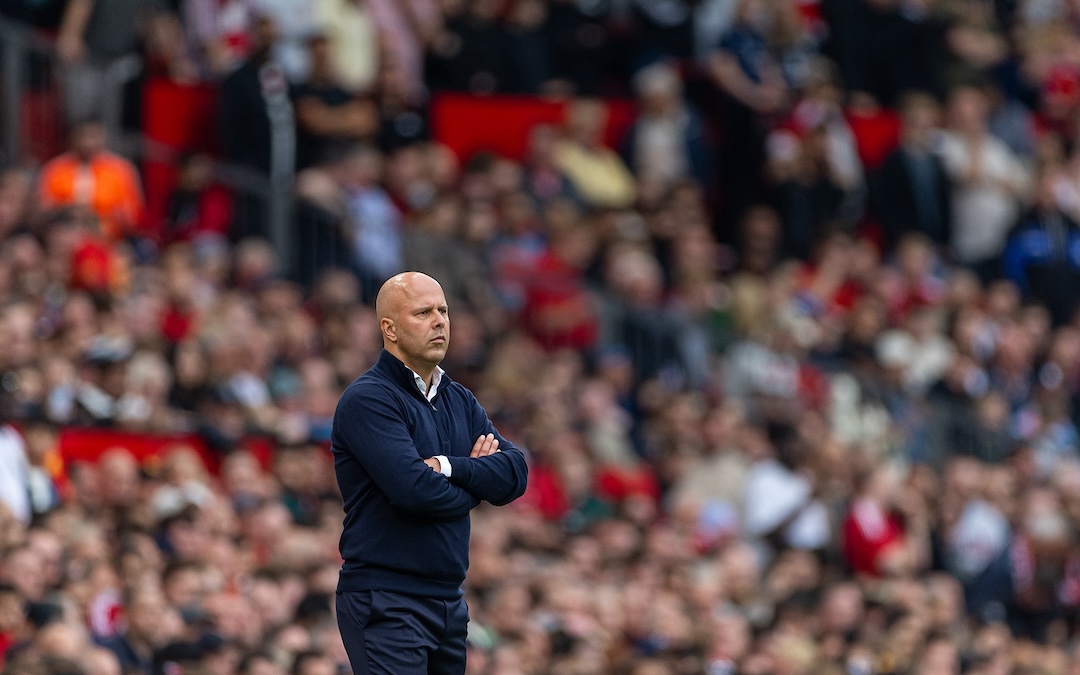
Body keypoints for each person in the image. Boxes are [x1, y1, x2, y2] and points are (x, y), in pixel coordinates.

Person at [331, 272, 528, 674]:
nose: (440, 321)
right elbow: (415, 490)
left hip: (448, 601)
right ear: (390, 328)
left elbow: (515, 473)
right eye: (424, 312)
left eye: (443, 310)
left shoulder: (459, 398)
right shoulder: (369, 398)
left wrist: (449, 467)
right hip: (387, 597)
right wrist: (476, 485)